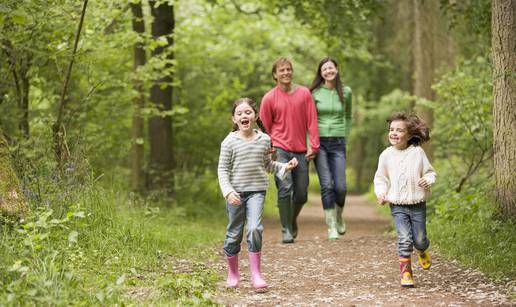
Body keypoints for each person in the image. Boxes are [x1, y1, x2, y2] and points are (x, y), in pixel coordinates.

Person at [218, 98, 299, 289]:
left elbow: (267, 164)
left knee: (254, 229)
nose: (244, 116)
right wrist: (228, 192)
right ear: (234, 119)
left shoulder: (264, 139)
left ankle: (256, 274)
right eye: (239, 113)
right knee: (234, 234)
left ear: (254, 116)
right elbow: (222, 170)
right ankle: (233, 273)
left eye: (248, 112)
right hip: (235, 194)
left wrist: (285, 167)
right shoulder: (229, 142)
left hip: (257, 192)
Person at [259, 57, 320, 243]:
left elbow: (312, 120)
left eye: (288, 69)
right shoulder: (269, 98)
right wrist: (267, 151)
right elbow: (264, 128)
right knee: (285, 187)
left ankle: (291, 219)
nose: (286, 72)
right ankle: (286, 228)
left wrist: (314, 145)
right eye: (282, 70)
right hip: (280, 149)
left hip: (301, 150)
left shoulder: (304, 94)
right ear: (275, 75)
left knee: (301, 192)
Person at [374, 112, 436, 288]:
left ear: (409, 135)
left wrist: (428, 180)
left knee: (420, 239)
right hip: (397, 205)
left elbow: (430, 172)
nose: (394, 133)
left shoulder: (417, 153)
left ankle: (422, 250)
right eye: (391, 129)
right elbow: (381, 178)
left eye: (399, 130)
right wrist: (381, 192)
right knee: (404, 239)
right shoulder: (386, 155)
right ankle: (406, 272)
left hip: (417, 204)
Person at [309, 57, 352, 240]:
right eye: (324, 69)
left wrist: (345, 135)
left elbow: (348, 116)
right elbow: (309, 120)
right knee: (327, 185)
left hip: (338, 142)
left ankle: (339, 215)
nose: (328, 71)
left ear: (337, 69)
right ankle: (331, 226)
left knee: (341, 186)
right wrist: (310, 143)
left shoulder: (346, 92)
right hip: (319, 143)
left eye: (331, 68)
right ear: (321, 73)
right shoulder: (315, 93)